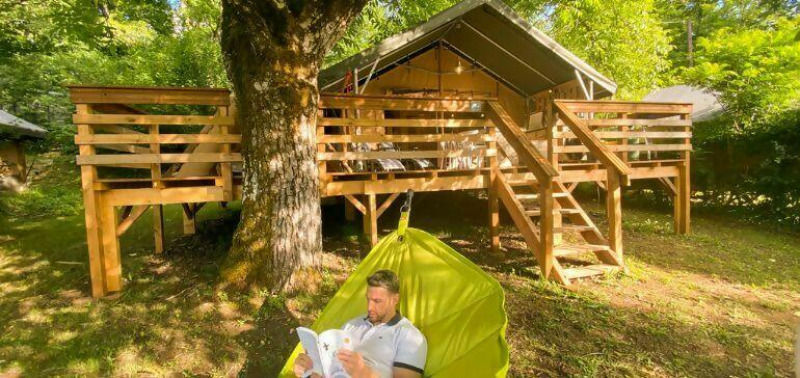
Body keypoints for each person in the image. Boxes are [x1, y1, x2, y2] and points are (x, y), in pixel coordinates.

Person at [293, 270, 427, 378]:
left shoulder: (409, 336)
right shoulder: (351, 325)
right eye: (368, 299)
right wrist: (310, 370)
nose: (370, 307)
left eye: (377, 301)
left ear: (395, 299)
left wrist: (363, 374)